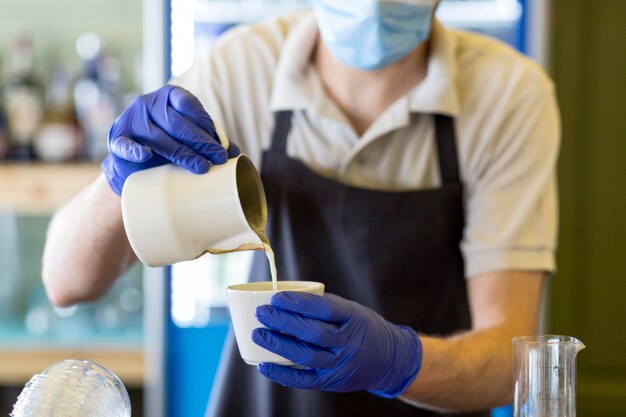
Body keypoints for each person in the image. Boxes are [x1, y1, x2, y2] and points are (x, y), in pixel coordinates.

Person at [41, 0, 560, 416]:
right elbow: (66, 282)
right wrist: (118, 178)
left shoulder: (507, 96)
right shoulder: (243, 69)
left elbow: (509, 363)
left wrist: (397, 362)